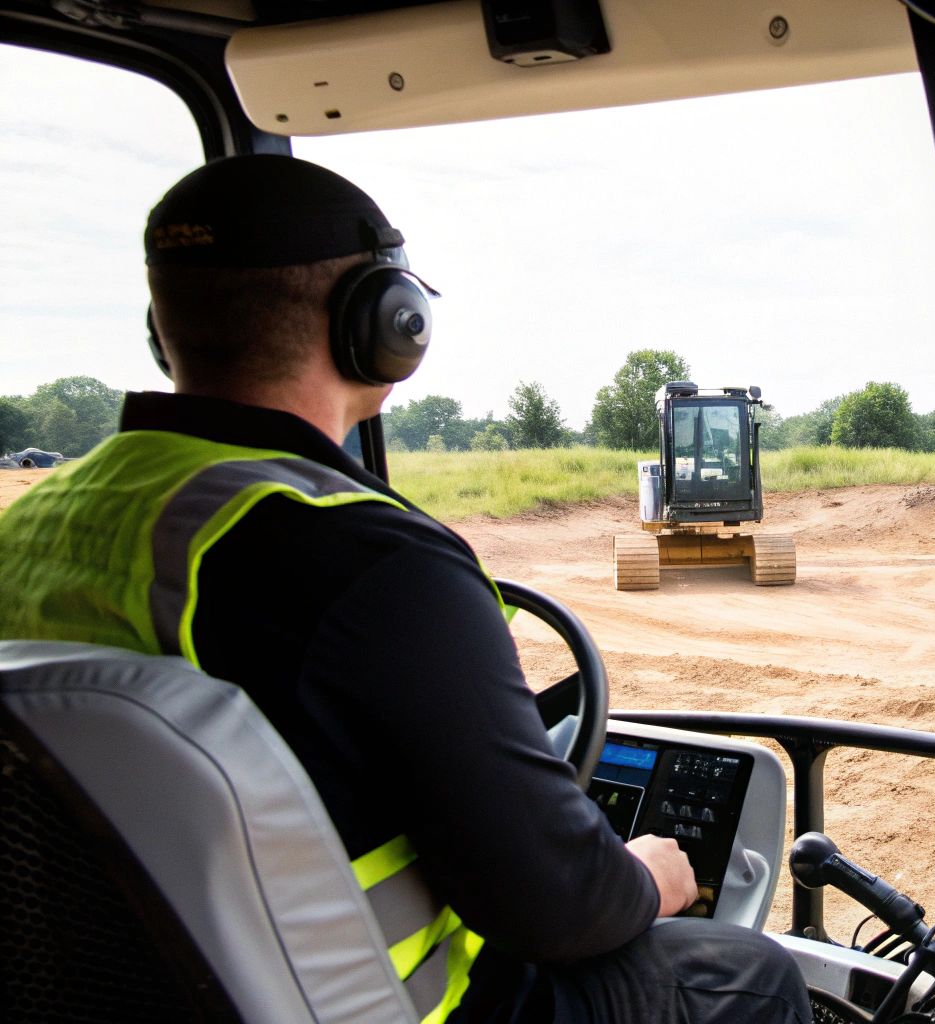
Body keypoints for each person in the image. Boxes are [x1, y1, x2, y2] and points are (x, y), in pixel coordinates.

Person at [0, 155, 811, 1024]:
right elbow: (561, 906)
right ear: (388, 322)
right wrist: (648, 875)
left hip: (114, 987)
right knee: (752, 974)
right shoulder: (369, 562)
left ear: (164, 329)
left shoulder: (34, 527)